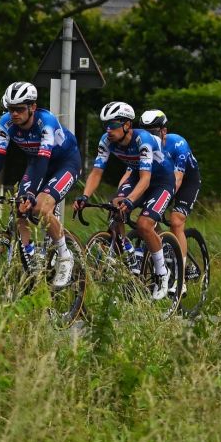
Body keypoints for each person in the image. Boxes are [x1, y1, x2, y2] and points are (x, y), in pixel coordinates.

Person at [0, 81, 82, 289]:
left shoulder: (46, 122)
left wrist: (31, 193)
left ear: (32, 107)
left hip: (65, 164)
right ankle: (31, 259)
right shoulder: (6, 122)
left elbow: (44, 158)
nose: (14, 114)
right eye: (10, 109)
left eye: (19, 109)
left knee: (41, 207)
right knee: (20, 208)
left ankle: (65, 256)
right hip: (37, 163)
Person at [73, 101, 173, 299]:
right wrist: (85, 196)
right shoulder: (106, 140)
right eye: (105, 125)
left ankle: (163, 274)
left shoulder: (143, 140)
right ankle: (129, 253)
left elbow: (146, 180)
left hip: (161, 181)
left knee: (144, 225)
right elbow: (96, 172)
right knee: (115, 206)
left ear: (127, 124)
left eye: (113, 125)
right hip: (137, 177)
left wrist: (130, 201)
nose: (108, 130)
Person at [140, 108, 202, 285]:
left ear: (164, 131)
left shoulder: (178, 143)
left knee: (176, 221)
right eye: (145, 133)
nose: (149, 137)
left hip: (186, 181)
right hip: (161, 181)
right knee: (148, 218)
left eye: (153, 132)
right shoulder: (142, 145)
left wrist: (162, 203)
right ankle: (164, 249)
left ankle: (180, 276)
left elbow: (178, 179)